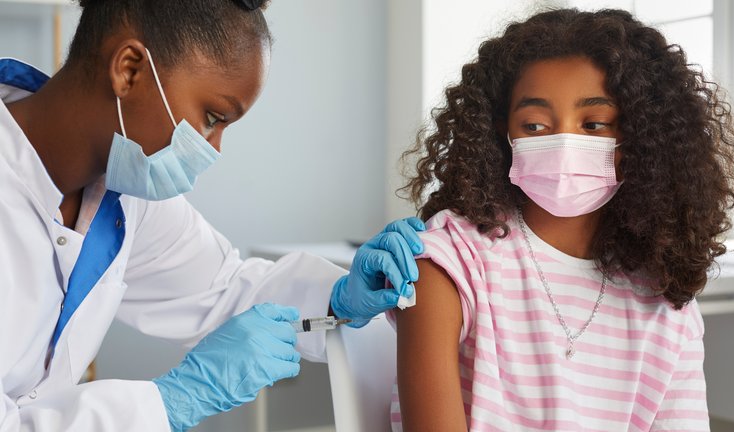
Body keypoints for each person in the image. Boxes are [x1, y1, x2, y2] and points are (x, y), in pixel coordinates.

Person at [0, 0, 422, 431]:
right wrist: (174, 400)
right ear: (129, 69)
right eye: (211, 119)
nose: (214, 148)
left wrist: (338, 297)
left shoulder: (125, 195)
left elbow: (224, 289)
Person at [391, 8, 734, 432]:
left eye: (595, 124)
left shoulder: (666, 300)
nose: (564, 143)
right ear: (500, 133)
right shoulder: (451, 262)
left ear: (642, 137)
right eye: (535, 125)